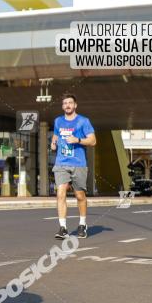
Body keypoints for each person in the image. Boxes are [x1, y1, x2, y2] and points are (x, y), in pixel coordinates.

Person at [50, 94, 96, 239]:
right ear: (63, 106)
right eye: (65, 103)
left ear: (75, 105)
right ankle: (63, 228)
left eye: (70, 103)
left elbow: (93, 141)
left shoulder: (83, 121)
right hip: (61, 162)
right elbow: (56, 136)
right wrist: (53, 143)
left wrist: (77, 139)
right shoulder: (58, 121)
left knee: (79, 195)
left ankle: (82, 224)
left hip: (79, 163)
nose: (67, 105)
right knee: (60, 192)